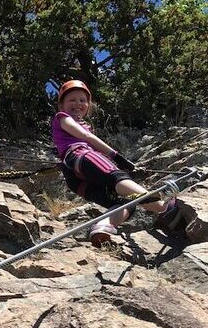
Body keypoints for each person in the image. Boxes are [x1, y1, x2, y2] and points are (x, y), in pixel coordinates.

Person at [51, 79, 184, 246]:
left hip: (76, 179)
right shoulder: (62, 117)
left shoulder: (82, 125)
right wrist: (117, 157)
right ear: (62, 106)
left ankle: (103, 226)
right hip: (81, 156)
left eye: (82, 100)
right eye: (72, 100)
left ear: (88, 105)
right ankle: (165, 209)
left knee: (125, 203)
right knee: (116, 177)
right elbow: (87, 138)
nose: (78, 103)